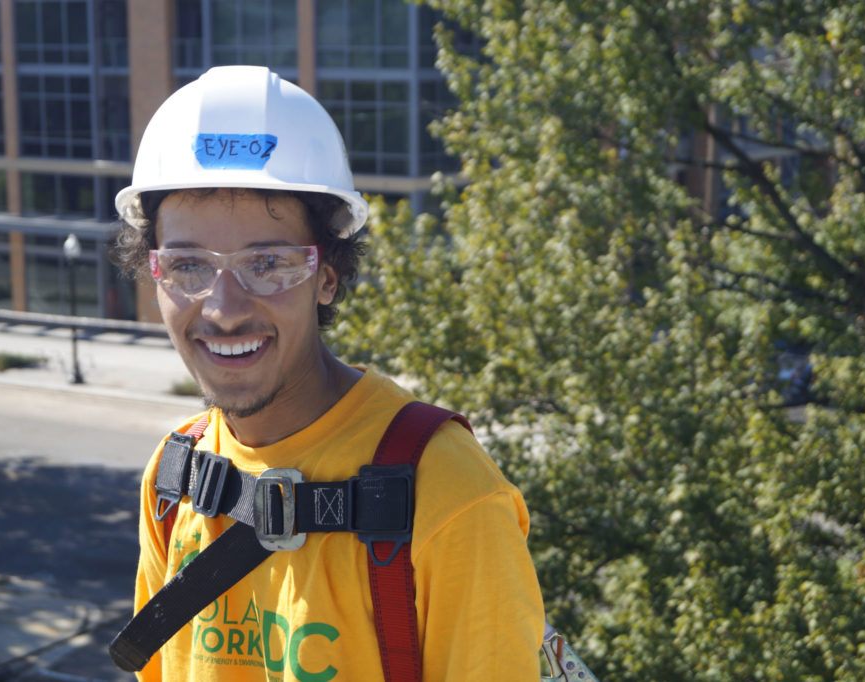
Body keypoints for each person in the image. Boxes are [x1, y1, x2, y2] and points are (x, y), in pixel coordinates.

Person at [111, 65, 545, 681]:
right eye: (187, 265)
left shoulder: (447, 494)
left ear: (327, 276)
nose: (224, 308)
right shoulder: (174, 477)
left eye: (268, 262)